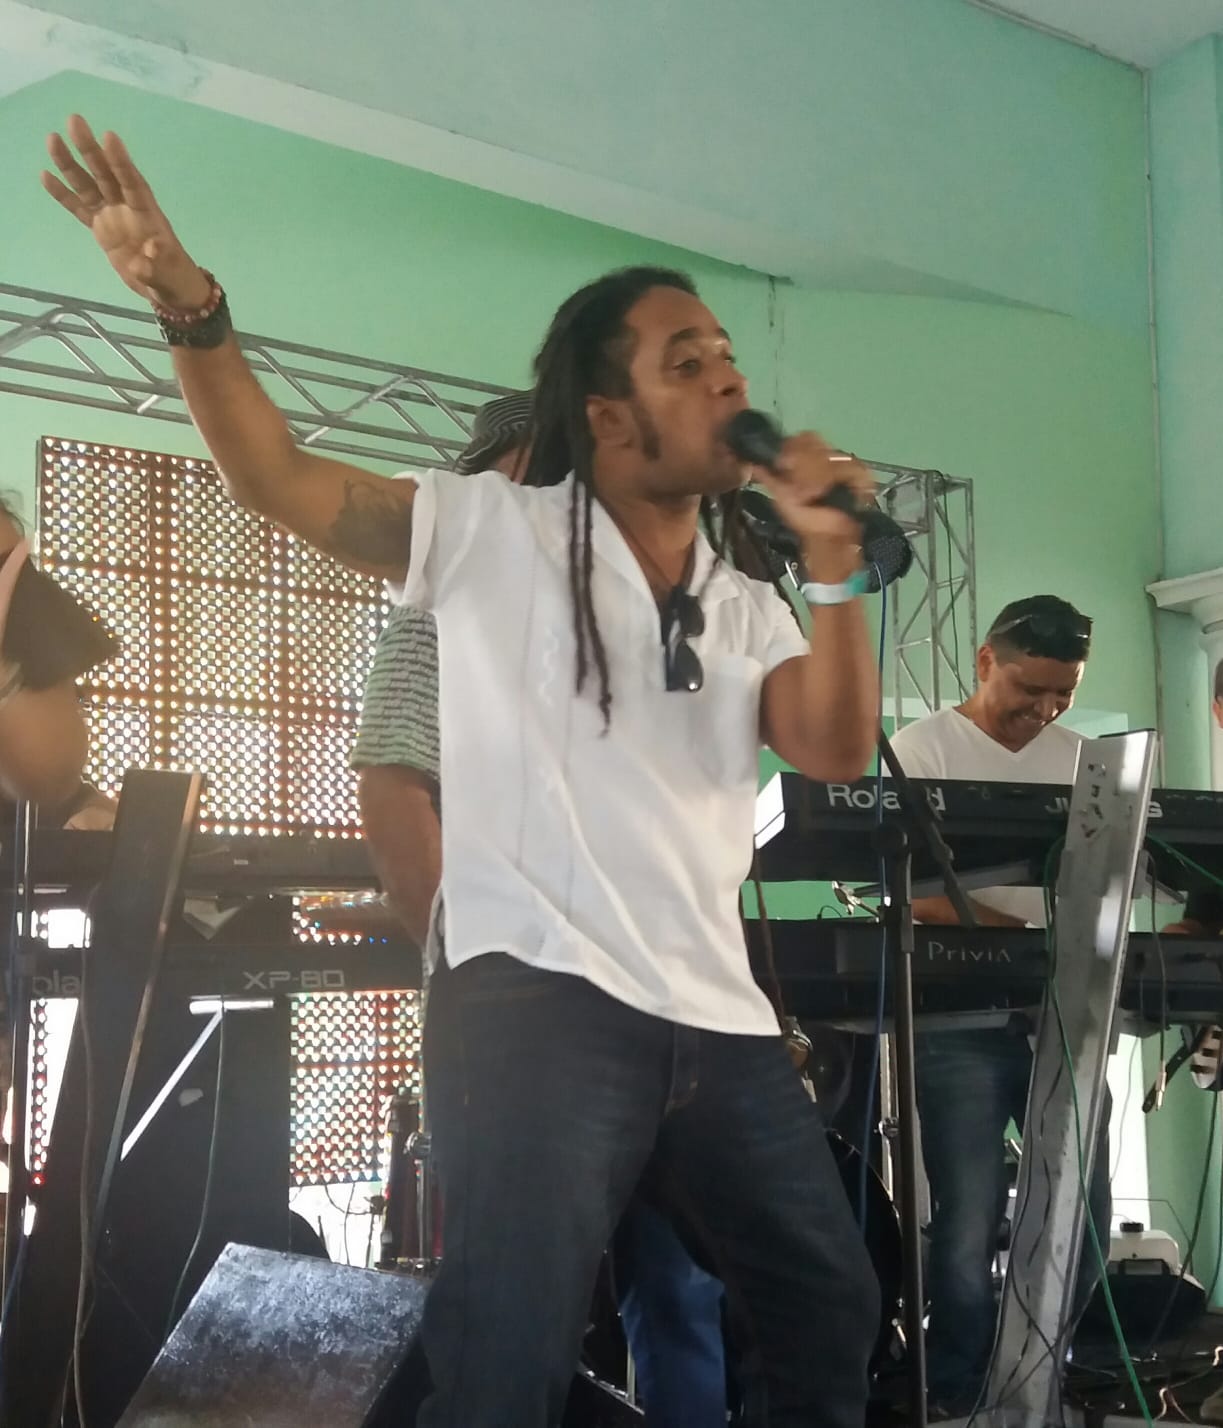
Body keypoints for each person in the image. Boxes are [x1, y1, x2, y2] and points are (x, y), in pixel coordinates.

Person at [45, 115, 882, 1427]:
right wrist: (191, 310)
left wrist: (831, 565)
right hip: (538, 1002)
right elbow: (276, 480)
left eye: (726, 355)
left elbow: (830, 745)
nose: (726, 378)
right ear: (606, 415)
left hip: (713, 1017)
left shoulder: (743, 597)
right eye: (685, 362)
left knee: (825, 1303)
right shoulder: (497, 530)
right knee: (506, 1353)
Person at [354, 392, 731, 1425]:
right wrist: (480, 970)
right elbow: (394, 787)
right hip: (523, 1015)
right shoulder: (448, 595)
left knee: (680, 1286)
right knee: (513, 1314)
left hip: (658, 1007)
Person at [888, 594, 1110, 1415]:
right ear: (985, 662)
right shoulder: (921, 749)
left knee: (1082, 1211)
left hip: (1063, 1011)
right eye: (1029, 688)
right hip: (958, 1018)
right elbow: (910, 891)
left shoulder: (1084, 761)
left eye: (1063, 694)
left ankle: (1053, 1370)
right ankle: (957, 1384)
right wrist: (1030, 931)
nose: (1044, 709)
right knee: (966, 1216)